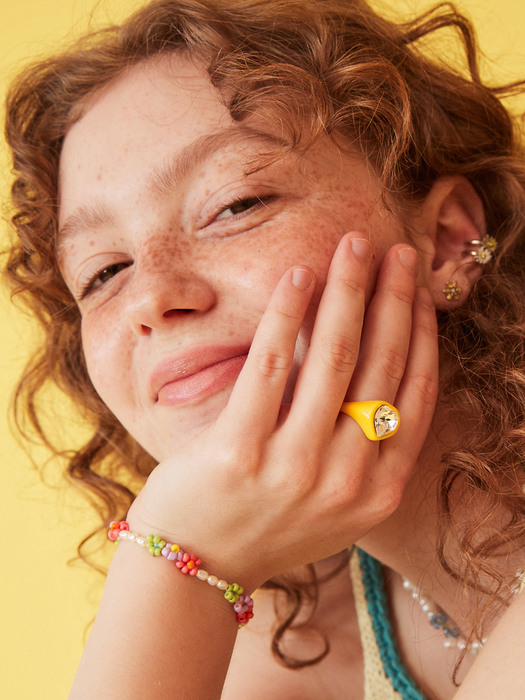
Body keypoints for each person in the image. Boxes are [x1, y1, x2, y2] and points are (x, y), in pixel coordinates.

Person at [3, 0, 525, 697]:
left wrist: (178, 553)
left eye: (235, 203)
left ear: (448, 242)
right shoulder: (306, 622)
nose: (150, 298)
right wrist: (190, 549)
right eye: (103, 272)